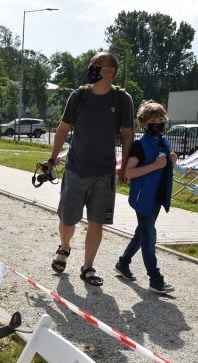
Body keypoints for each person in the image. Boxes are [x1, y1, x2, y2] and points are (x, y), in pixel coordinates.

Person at [38, 51, 134, 286]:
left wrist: (124, 169)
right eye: (91, 63)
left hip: (104, 173)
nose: (91, 67)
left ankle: (88, 266)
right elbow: (62, 128)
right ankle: (65, 246)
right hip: (75, 170)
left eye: (97, 64)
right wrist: (52, 159)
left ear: (110, 71)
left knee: (96, 222)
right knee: (67, 219)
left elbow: (128, 134)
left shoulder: (122, 100)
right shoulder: (78, 96)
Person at [115, 101, 178, 294]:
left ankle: (123, 263)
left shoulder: (163, 142)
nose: (158, 124)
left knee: (142, 233)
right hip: (144, 199)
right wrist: (155, 166)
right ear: (144, 124)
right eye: (153, 121)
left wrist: (171, 162)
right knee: (149, 236)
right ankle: (155, 279)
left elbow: (163, 167)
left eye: (161, 120)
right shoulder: (139, 146)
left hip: (158, 197)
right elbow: (128, 172)